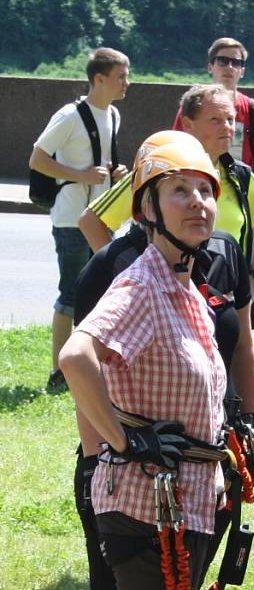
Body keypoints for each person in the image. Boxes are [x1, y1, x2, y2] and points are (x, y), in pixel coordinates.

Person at [72, 130, 254, 590]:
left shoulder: (189, 281)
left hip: (188, 499)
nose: (198, 202)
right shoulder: (144, 283)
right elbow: (76, 356)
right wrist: (123, 438)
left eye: (206, 191)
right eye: (178, 190)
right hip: (146, 507)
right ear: (145, 208)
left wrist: (242, 425)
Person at [79, 85, 254, 308]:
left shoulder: (240, 175)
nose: (228, 127)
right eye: (216, 120)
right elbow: (91, 221)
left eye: (231, 120)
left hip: (223, 304)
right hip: (163, 305)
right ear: (188, 124)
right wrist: (130, 276)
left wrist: (253, 278)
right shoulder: (158, 171)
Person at [29, 46, 130, 390]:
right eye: (121, 76)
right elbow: (37, 158)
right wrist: (79, 174)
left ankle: (88, 364)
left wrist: (114, 174)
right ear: (99, 79)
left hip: (102, 219)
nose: (126, 82)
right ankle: (59, 372)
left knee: (102, 293)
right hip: (72, 218)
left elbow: (100, 161)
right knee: (71, 294)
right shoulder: (70, 115)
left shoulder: (113, 116)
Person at [173, 37, 254, 191]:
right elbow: (175, 150)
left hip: (242, 188)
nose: (229, 67)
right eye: (222, 61)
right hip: (200, 187)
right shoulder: (191, 108)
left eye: (236, 62)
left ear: (242, 71)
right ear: (210, 67)